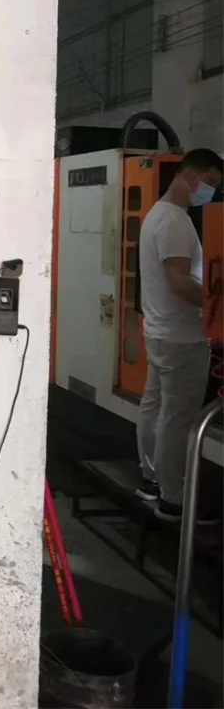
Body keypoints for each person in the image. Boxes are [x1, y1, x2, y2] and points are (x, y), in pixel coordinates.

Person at [135, 148, 223, 523]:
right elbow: (179, 281)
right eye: (210, 183)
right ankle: (173, 499)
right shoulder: (175, 222)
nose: (211, 192)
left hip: (160, 331)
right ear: (192, 176)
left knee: (155, 408)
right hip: (181, 337)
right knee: (178, 418)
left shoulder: (158, 215)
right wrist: (214, 305)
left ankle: (152, 480)